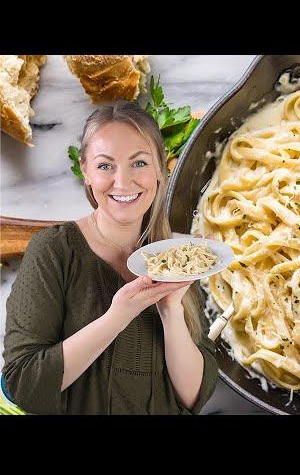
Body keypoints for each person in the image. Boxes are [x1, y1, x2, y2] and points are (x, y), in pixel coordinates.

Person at [2, 100, 218, 414]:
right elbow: (24, 383)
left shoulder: (177, 258)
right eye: (105, 165)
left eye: (139, 163)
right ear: (86, 172)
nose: (122, 181)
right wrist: (117, 316)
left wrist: (171, 312)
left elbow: (192, 397)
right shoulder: (54, 250)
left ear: (160, 168)